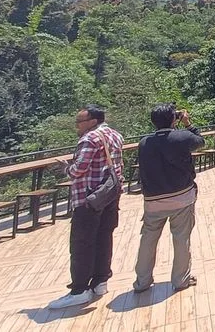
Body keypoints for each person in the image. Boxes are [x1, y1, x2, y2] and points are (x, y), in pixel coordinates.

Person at [49, 105, 125, 310]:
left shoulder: (90, 139)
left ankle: (80, 290)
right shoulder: (115, 135)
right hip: (109, 195)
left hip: (88, 198)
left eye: (79, 122)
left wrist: (65, 167)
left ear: (92, 121)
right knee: (104, 238)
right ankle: (100, 282)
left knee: (82, 244)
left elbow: (78, 170)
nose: (77, 126)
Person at [132, 103, 205, 294]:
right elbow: (200, 141)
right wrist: (188, 124)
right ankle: (181, 280)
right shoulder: (182, 137)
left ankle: (142, 281)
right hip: (182, 197)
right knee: (181, 239)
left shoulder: (144, 142)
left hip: (153, 201)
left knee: (148, 240)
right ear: (174, 119)